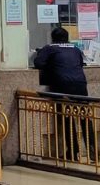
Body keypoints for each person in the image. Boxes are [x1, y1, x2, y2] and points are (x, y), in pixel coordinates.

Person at [34, 27, 94, 161]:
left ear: (53, 37)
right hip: (80, 85)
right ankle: (93, 150)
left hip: (62, 86)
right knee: (85, 117)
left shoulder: (49, 48)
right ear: (67, 38)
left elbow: (38, 63)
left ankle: (73, 152)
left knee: (67, 118)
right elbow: (80, 63)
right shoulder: (75, 49)